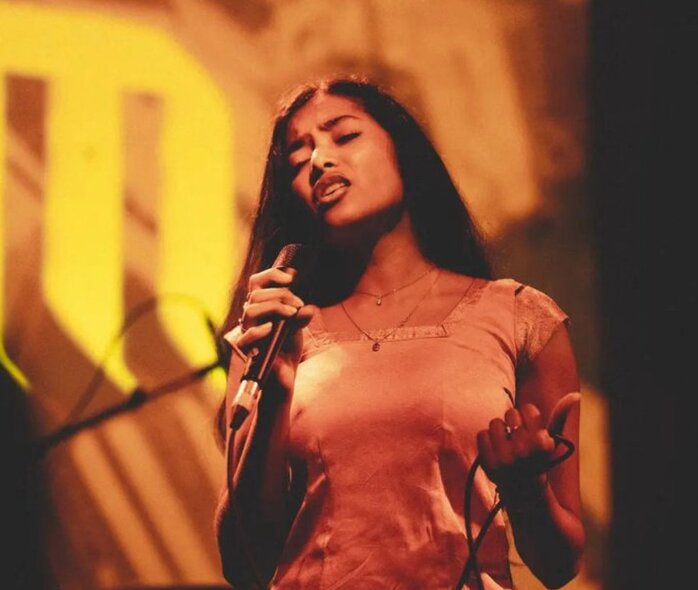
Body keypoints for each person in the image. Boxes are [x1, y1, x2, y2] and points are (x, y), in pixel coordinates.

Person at [214, 76, 584, 589]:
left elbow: (560, 563)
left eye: (343, 137)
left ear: (404, 154)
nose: (319, 161)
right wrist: (274, 394)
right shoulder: (274, 333)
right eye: (297, 160)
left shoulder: (521, 318)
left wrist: (527, 491)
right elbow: (242, 565)